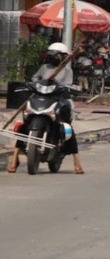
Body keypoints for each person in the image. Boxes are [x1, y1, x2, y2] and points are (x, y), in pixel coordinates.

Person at [8, 42, 82, 174]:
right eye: (50, 55)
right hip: (42, 97)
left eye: (55, 55)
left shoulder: (67, 70)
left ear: (62, 56)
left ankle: (77, 162)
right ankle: (14, 159)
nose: (52, 57)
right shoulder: (44, 68)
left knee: (67, 128)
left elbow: (68, 85)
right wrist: (34, 83)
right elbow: (35, 78)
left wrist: (59, 84)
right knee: (24, 125)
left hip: (60, 99)